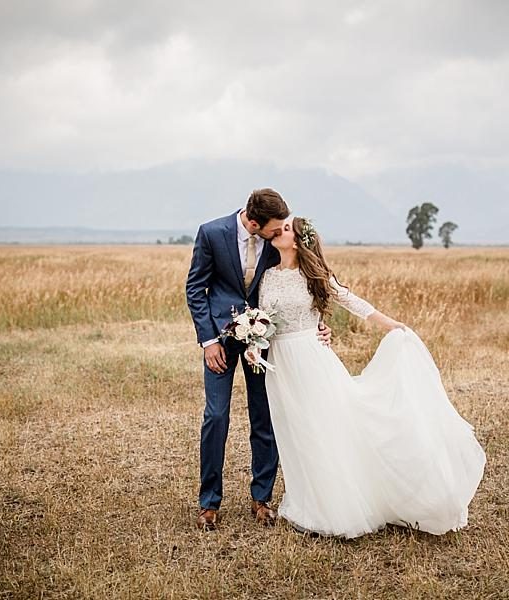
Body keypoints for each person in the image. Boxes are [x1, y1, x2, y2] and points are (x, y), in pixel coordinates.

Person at [255, 216, 486, 538]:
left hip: (310, 359)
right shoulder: (267, 276)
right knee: (294, 430)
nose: (279, 230)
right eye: (279, 228)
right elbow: (262, 318)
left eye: (287, 228)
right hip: (279, 362)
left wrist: (391, 324)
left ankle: (336, 507)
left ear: (297, 241)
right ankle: (309, 499)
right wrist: (254, 341)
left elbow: (350, 300)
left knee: (324, 428)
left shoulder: (313, 275)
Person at [185, 189, 331, 531]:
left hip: (266, 340)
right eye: (274, 228)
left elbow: (300, 281)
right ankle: (209, 503)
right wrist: (208, 341)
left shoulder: (275, 238)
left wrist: (317, 325)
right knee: (216, 416)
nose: (280, 232)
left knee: (264, 416)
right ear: (254, 222)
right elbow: (196, 287)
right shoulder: (211, 233)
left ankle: (261, 497)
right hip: (219, 341)